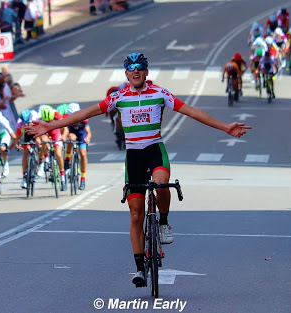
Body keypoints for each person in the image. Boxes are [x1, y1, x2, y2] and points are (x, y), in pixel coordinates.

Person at [26, 53, 251, 287]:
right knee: (135, 214)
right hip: (133, 155)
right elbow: (85, 113)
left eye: (140, 68)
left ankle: (163, 222)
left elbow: (191, 112)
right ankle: (140, 269)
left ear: (146, 72)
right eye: (131, 68)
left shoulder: (160, 94)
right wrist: (51, 125)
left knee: (162, 183)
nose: (136, 71)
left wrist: (225, 127)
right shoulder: (118, 97)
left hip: (155, 150)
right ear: (126, 74)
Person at [39, 106, 68, 191]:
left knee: (58, 154)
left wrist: (64, 136)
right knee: (44, 140)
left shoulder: (57, 115)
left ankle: (62, 177)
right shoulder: (39, 118)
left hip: (55, 131)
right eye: (46, 120)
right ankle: (47, 158)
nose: (48, 121)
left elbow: (65, 129)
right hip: (45, 131)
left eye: (49, 120)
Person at [64, 103, 92, 191]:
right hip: (72, 132)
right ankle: (67, 159)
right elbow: (65, 130)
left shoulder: (84, 118)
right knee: (71, 138)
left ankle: (83, 179)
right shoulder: (66, 118)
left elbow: (88, 133)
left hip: (81, 133)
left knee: (83, 154)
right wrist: (64, 137)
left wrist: (87, 138)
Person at [16, 109, 40, 189]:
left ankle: (39, 162)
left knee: (39, 145)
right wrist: (18, 143)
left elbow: (39, 135)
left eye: (27, 123)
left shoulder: (35, 122)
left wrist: (38, 140)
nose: (26, 125)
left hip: (34, 134)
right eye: (24, 123)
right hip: (26, 136)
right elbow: (18, 136)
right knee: (26, 151)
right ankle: (24, 176)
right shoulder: (20, 124)